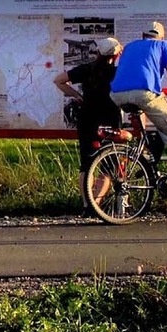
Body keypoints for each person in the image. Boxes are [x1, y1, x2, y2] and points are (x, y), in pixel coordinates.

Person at [108, 21, 167, 212]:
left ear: (144, 35)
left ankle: (144, 153)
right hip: (144, 93)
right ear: (161, 36)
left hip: (116, 94)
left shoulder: (131, 46)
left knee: (142, 110)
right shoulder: (164, 45)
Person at [54, 36, 124, 211]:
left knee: (86, 163)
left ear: (98, 52)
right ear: (116, 55)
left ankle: (87, 204)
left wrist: (77, 96)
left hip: (87, 119)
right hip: (110, 119)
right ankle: (97, 203)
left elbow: (59, 80)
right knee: (110, 164)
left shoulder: (87, 69)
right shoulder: (118, 72)